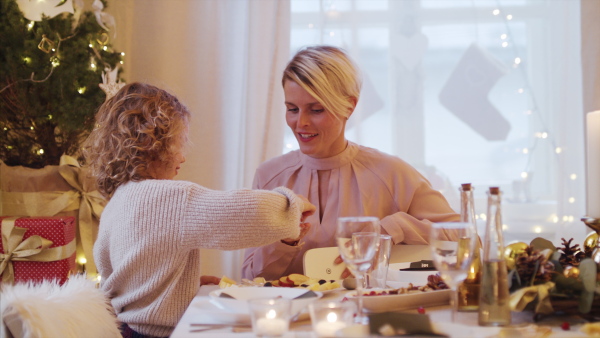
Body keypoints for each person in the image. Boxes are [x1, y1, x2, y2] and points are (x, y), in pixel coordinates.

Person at [83, 82, 315, 338]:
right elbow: (239, 213)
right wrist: (291, 205)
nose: (182, 156)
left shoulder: (117, 202)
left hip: (127, 330)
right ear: (153, 143)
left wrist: (183, 287)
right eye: (178, 142)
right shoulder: (172, 198)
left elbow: (125, 278)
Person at [242, 45, 459, 281]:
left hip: (368, 313)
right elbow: (251, 277)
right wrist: (284, 242)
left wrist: (394, 228)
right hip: (292, 316)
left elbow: (469, 241)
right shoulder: (269, 177)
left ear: (349, 107)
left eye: (316, 110)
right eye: (292, 109)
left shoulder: (392, 174)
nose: (300, 122)